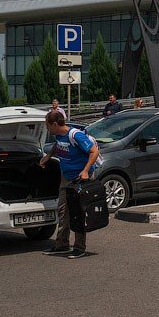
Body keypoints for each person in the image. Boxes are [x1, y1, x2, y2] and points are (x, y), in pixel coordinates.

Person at [39, 109, 100, 259]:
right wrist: (48, 156)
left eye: (48, 126)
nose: (47, 129)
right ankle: (62, 244)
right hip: (66, 177)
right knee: (63, 211)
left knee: (78, 212)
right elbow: (58, 145)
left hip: (80, 178)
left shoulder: (75, 135)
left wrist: (85, 171)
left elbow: (94, 152)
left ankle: (79, 247)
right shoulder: (59, 135)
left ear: (55, 124)